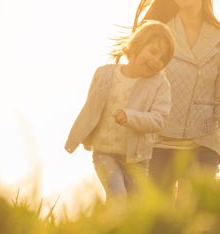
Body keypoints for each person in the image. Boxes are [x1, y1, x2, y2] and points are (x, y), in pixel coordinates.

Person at [132, 0, 220, 187]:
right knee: (158, 216)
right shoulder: (158, 32)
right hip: (158, 140)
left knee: (195, 215)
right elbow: (137, 82)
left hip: (202, 143)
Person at [65, 20, 175, 198]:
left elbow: (159, 119)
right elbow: (91, 109)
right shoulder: (104, 74)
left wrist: (130, 117)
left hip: (137, 160)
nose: (156, 60)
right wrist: (78, 138)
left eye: (162, 58)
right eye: (153, 52)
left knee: (134, 208)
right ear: (137, 46)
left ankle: (115, 225)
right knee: (118, 196)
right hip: (104, 153)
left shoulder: (160, 84)